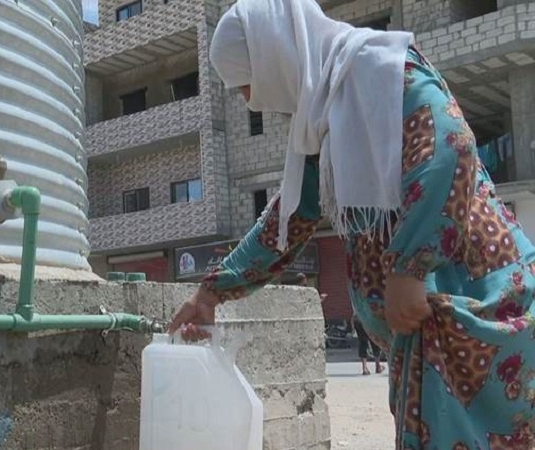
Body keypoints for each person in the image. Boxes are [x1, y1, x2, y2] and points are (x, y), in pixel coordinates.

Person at [167, 0, 535, 448]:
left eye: (247, 84)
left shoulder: (380, 70)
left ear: (274, 57)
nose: (250, 99)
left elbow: (449, 147)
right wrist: (210, 293)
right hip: (429, 335)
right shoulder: (326, 118)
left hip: (475, 311)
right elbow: (287, 222)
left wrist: (409, 267)